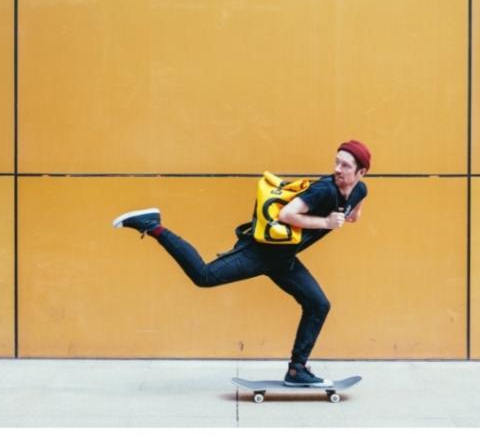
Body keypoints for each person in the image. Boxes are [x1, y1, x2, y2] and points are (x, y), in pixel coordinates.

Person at [112, 140, 370, 387]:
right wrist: (325, 223)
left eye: (346, 166)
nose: (337, 169)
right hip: (259, 252)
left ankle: (297, 370)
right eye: (337, 162)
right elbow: (286, 214)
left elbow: (355, 213)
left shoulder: (360, 190)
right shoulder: (323, 189)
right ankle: (153, 225)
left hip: (284, 259)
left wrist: (348, 214)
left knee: (318, 305)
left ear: (362, 172)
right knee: (203, 276)